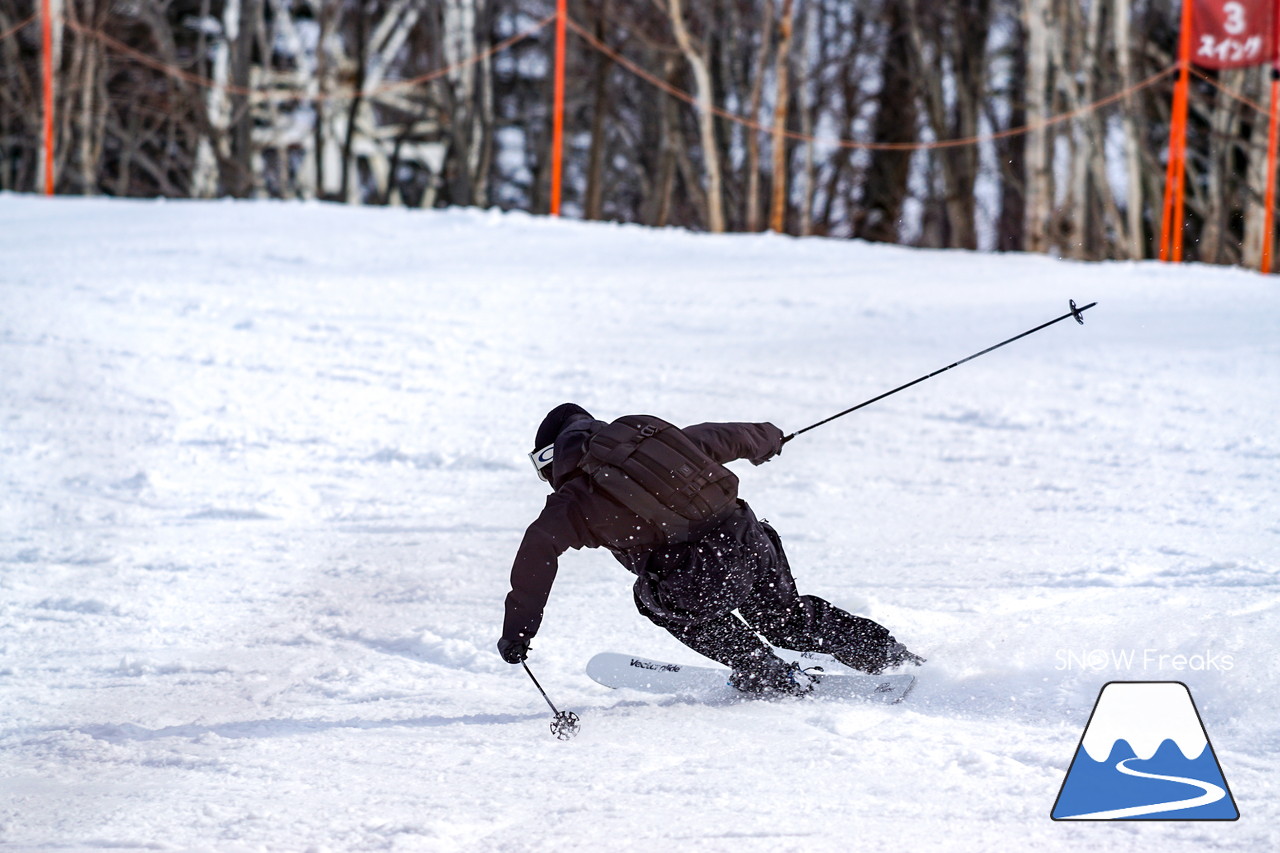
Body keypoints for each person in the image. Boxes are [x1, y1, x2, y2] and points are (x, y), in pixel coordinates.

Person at [498, 403, 923, 696]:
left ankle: (763, 670)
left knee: (655, 601)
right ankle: (890, 656)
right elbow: (730, 437)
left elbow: (537, 553)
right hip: (750, 541)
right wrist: (769, 439)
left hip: (695, 576)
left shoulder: (574, 500)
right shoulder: (656, 444)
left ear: (551, 458)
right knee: (785, 618)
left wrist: (518, 632)